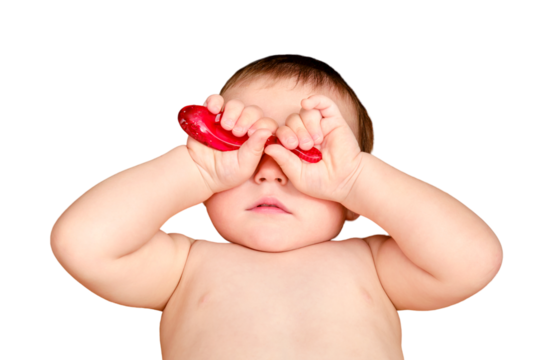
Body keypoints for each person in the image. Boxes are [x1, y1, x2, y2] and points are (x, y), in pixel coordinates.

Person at [49, 53, 504, 359]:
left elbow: (474, 261)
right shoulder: (183, 266)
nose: (270, 171)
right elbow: (81, 242)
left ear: (354, 203)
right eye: (241, 150)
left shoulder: (374, 264)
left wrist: (356, 177)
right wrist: (196, 167)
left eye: (309, 153)